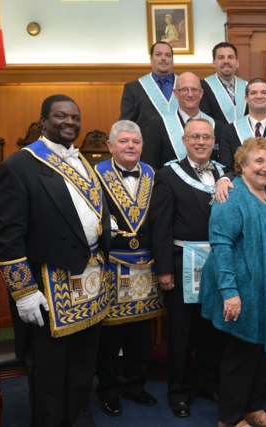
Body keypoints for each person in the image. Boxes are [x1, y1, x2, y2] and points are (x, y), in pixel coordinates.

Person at [0, 94, 111, 426]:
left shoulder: (84, 161)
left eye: (75, 117)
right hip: (48, 287)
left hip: (88, 284)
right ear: (43, 121)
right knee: (49, 376)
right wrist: (24, 291)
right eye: (60, 116)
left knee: (81, 369)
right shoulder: (18, 166)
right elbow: (8, 237)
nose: (69, 122)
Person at [201, 137, 266, 427]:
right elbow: (221, 245)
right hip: (243, 293)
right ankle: (229, 419)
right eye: (258, 161)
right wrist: (229, 292)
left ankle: (252, 408)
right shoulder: (232, 196)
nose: (265, 167)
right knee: (241, 356)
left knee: (260, 355)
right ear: (242, 165)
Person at [150, 118, 226, 418]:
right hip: (182, 264)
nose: (200, 142)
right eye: (194, 137)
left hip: (219, 264)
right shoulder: (168, 175)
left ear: (213, 140)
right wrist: (164, 268)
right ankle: (178, 392)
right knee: (182, 333)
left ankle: (207, 382)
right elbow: (161, 225)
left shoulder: (223, 172)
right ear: (184, 140)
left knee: (212, 329)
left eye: (206, 137)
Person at [94, 120, 164, 417]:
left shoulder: (153, 174)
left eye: (135, 141)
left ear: (142, 146)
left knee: (140, 334)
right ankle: (109, 390)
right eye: (123, 141)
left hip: (146, 264)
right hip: (110, 264)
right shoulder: (95, 174)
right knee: (109, 337)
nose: (130, 146)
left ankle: (136, 385)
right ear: (110, 146)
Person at [141, 71, 224, 168]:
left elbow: (222, 166)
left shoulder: (217, 126)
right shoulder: (158, 125)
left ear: (201, 93)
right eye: (184, 90)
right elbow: (149, 167)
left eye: (194, 90)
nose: (190, 94)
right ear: (175, 93)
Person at [218, 77, 266, 171]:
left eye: (264, 92)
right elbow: (226, 167)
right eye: (253, 93)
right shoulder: (229, 130)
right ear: (246, 98)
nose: (259, 96)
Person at [119, 41, 177, 127]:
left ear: (172, 60)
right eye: (158, 54)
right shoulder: (133, 88)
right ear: (151, 59)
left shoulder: (187, 86)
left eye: (168, 55)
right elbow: (126, 124)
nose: (163, 58)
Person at [200, 42, 248, 124]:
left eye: (230, 57)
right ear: (213, 63)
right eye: (221, 57)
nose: (226, 61)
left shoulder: (248, 87)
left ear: (237, 63)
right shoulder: (202, 86)